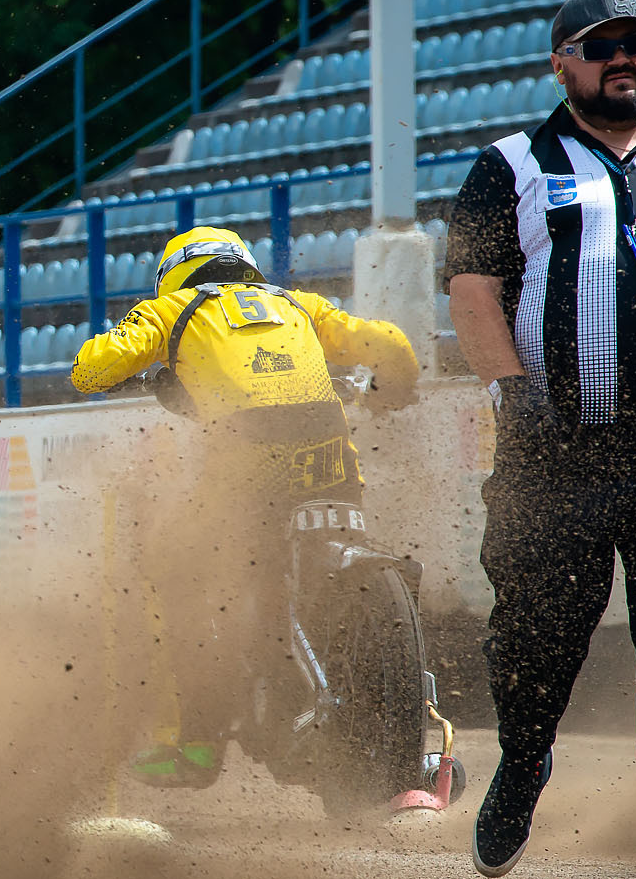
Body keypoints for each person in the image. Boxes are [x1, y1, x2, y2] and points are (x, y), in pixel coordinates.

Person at [443, 0, 636, 879]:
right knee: (534, 640)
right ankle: (525, 759)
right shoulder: (509, 164)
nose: (623, 57)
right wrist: (509, 385)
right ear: (561, 63)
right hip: (557, 449)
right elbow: (471, 287)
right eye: (601, 44)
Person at [70, 226, 421, 787]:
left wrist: (151, 366)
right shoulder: (295, 304)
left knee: (173, 564)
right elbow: (390, 344)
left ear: (176, 272)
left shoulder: (172, 310)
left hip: (246, 470)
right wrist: (394, 393)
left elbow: (90, 369)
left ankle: (201, 744)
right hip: (332, 460)